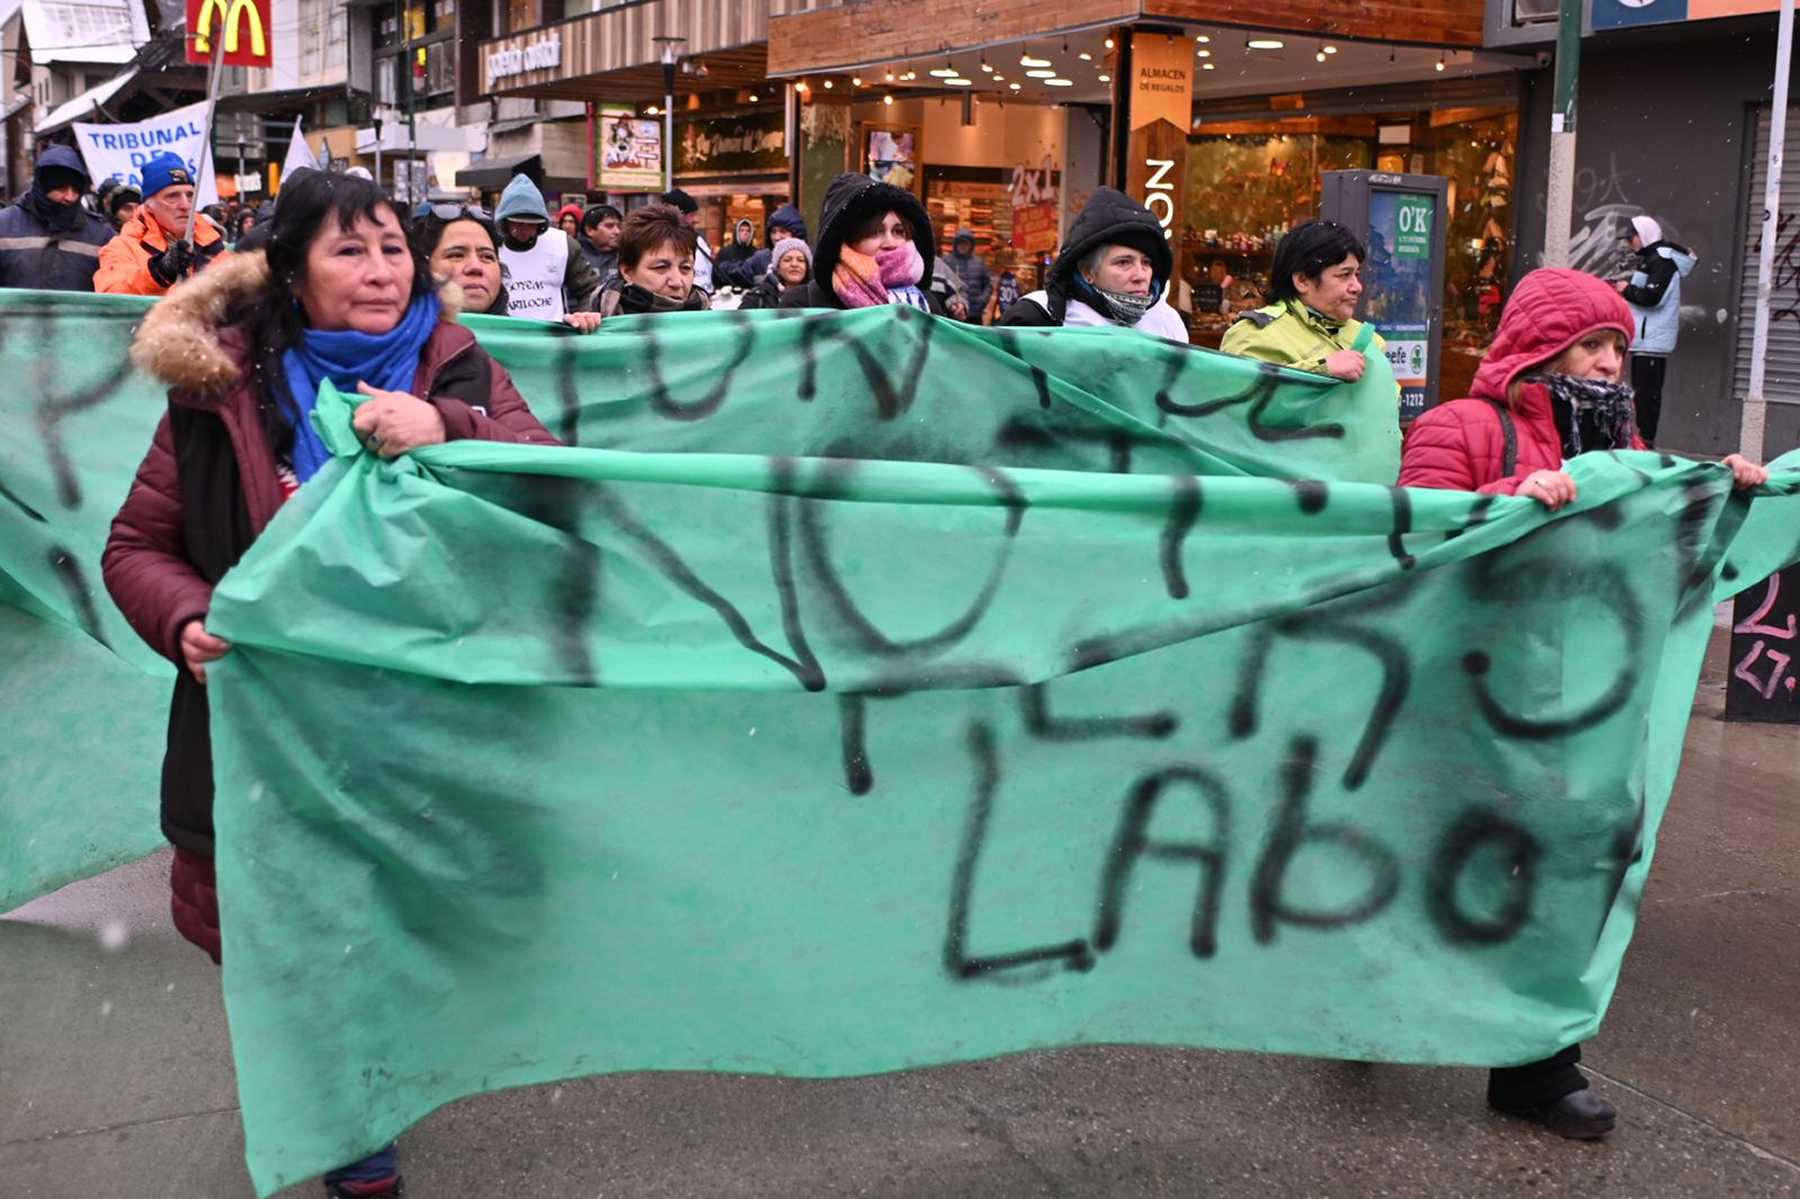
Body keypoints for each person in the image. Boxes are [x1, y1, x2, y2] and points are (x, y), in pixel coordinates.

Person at [102, 171, 558, 1199]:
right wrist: (188, 616)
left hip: (423, 729)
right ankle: (353, 1136)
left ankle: (363, 1090)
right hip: (270, 741)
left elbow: (553, 485)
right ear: (293, 269)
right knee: (296, 951)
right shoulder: (219, 389)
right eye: (350, 249)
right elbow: (135, 546)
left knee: (396, 941)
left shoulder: (462, 365)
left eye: (395, 246)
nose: (382, 269)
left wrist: (455, 429)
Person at [1398, 267, 1764, 1140]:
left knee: (1562, 876)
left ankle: (1537, 1065)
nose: (1608, 364)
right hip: (1469, 697)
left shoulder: (1625, 447)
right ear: (1539, 346)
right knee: (1431, 871)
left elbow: (1670, 547)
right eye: (1591, 344)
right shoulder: (1462, 425)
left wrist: (1724, 492)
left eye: (1617, 349)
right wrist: (1505, 501)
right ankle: (1370, 1006)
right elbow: (1412, 533)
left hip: (1578, 707)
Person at [998, 188, 1188, 343]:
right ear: (1087, 271)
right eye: (1124, 263)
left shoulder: (1167, 322)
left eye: (1146, 263)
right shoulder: (1038, 317)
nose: (1140, 275)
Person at [1220, 219, 1379, 379]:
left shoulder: (1370, 341)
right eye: (1344, 275)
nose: (1357, 287)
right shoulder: (1253, 336)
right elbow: (1240, 395)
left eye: (1356, 274)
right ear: (1302, 281)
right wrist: (1322, 370)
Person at [777, 171, 945, 314]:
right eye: (875, 232)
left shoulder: (927, 303)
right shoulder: (801, 305)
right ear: (846, 241)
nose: (890, 242)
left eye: (898, 231)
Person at [414, 205, 601, 332]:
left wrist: (574, 334)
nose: (475, 267)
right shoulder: (399, 346)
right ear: (424, 266)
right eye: (456, 255)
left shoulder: (521, 341)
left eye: (487, 256)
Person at [95, 152, 227, 296]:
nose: (185, 205)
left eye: (190, 195)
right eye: (172, 196)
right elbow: (112, 297)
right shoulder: (121, 247)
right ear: (148, 206)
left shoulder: (213, 244)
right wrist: (159, 273)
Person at [1615, 214, 1695, 447]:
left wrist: (1626, 289)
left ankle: (1646, 442)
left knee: (1647, 396)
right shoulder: (1652, 259)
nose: (1630, 243)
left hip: (1652, 342)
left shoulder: (1662, 261)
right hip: (1645, 341)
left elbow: (1652, 298)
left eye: (1631, 238)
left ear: (1644, 236)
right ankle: (1642, 440)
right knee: (1642, 394)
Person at [0, 145, 116, 291]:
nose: (70, 197)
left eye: (76, 190)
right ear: (43, 186)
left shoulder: (101, 235)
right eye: (61, 188)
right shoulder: (4, 225)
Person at [492, 172, 602, 322]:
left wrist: (583, 315)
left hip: (552, 338)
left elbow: (590, 289)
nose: (524, 229)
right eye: (518, 223)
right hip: (506, 336)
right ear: (505, 222)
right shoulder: (489, 247)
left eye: (531, 224)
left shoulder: (562, 244)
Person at [595, 203, 709, 317]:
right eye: (661, 267)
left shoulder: (712, 323)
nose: (677, 282)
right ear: (627, 271)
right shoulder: (595, 319)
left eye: (686, 268)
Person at [719, 203, 808, 290]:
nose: (777, 237)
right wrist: (721, 269)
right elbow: (740, 273)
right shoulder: (762, 258)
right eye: (773, 232)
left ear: (796, 233)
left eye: (783, 231)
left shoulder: (809, 258)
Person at [660, 188, 714, 293]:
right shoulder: (662, 242)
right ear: (679, 215)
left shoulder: (699, 241)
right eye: (691, 215)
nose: (696, 220)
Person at [737, 237, 811, 311]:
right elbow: (740, 320)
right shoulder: (758, 296)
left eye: (800, 260)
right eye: (787, 260)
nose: (794, 264)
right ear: (777, 268)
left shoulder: (816, 296)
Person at [943, 231, 993, 325]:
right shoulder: (947, 262)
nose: (963, 246)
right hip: (954, 313)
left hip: (975, 313)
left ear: (971, 246)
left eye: (966, 244)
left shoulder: (979, 263)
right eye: (960, 243)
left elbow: (988, 285)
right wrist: (950, 304)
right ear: (956, 245)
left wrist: (982, 301)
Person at [577, 203, 622, 282]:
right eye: (609, 226)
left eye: (619, 226)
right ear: (589, 230)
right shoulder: (576, 257)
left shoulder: (625, 256)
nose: (617, 231)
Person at [715, 217, 758, 284]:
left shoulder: (756, 254)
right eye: (742, 230)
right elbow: (717, 272)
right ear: (737, 232)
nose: (745, 233)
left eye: (748, 231)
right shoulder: (725, 252)